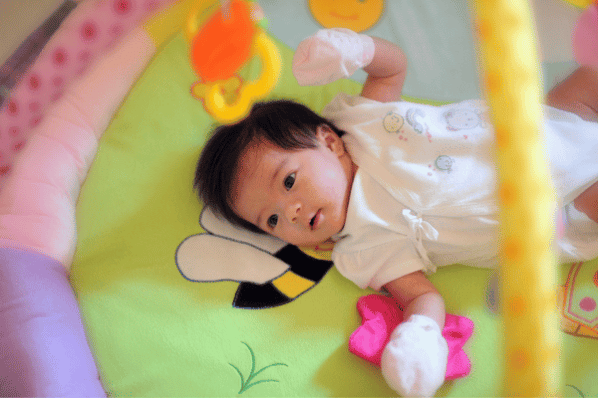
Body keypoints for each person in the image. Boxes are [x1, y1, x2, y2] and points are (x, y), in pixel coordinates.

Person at [194, 28, 598, 396]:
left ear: (328, 141)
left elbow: (392, 68)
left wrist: (356, 49)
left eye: (288, 182)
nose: (292, 211)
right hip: (558, 210)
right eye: (273, 221)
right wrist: (420, 335)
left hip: (549, 123)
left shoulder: (359, 122)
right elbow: (422, 296)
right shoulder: (362, 250)